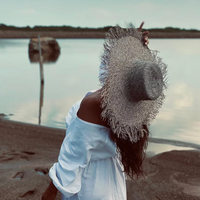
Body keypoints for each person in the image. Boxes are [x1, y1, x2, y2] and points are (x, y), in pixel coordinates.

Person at [42, 22, 167, 200]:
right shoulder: (132, 107)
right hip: (111, 183)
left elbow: (72, 157)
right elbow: (107, 69)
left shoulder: (94, 104)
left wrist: (51, 191)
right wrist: (136, 47)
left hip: (91, 186)